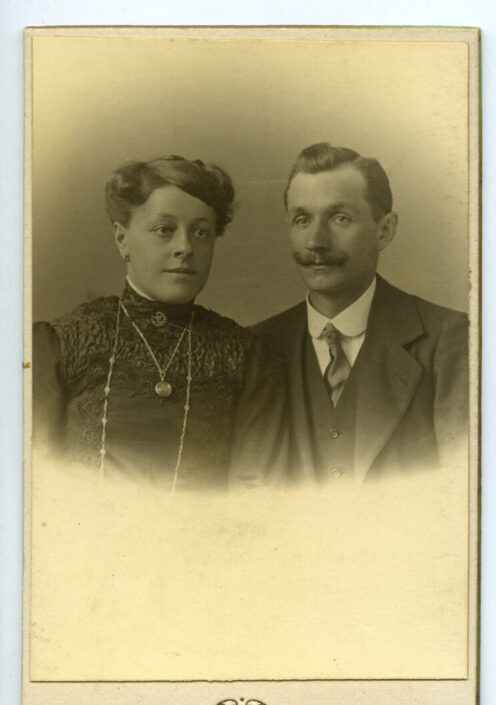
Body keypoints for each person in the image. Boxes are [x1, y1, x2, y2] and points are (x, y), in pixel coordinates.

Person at [33, 155, 287, 491]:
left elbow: (256, 492)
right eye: (164, 230)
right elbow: (36, 482)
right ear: (122, 239)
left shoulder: (246, 357)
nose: (185, 248)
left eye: (201, 232)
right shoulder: (60, 343)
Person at [253, 143, 468, 484]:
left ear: (384, 230)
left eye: (340, 218)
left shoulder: (449, 340)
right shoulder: (255, 347)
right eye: (302, 220)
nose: (316, 241)